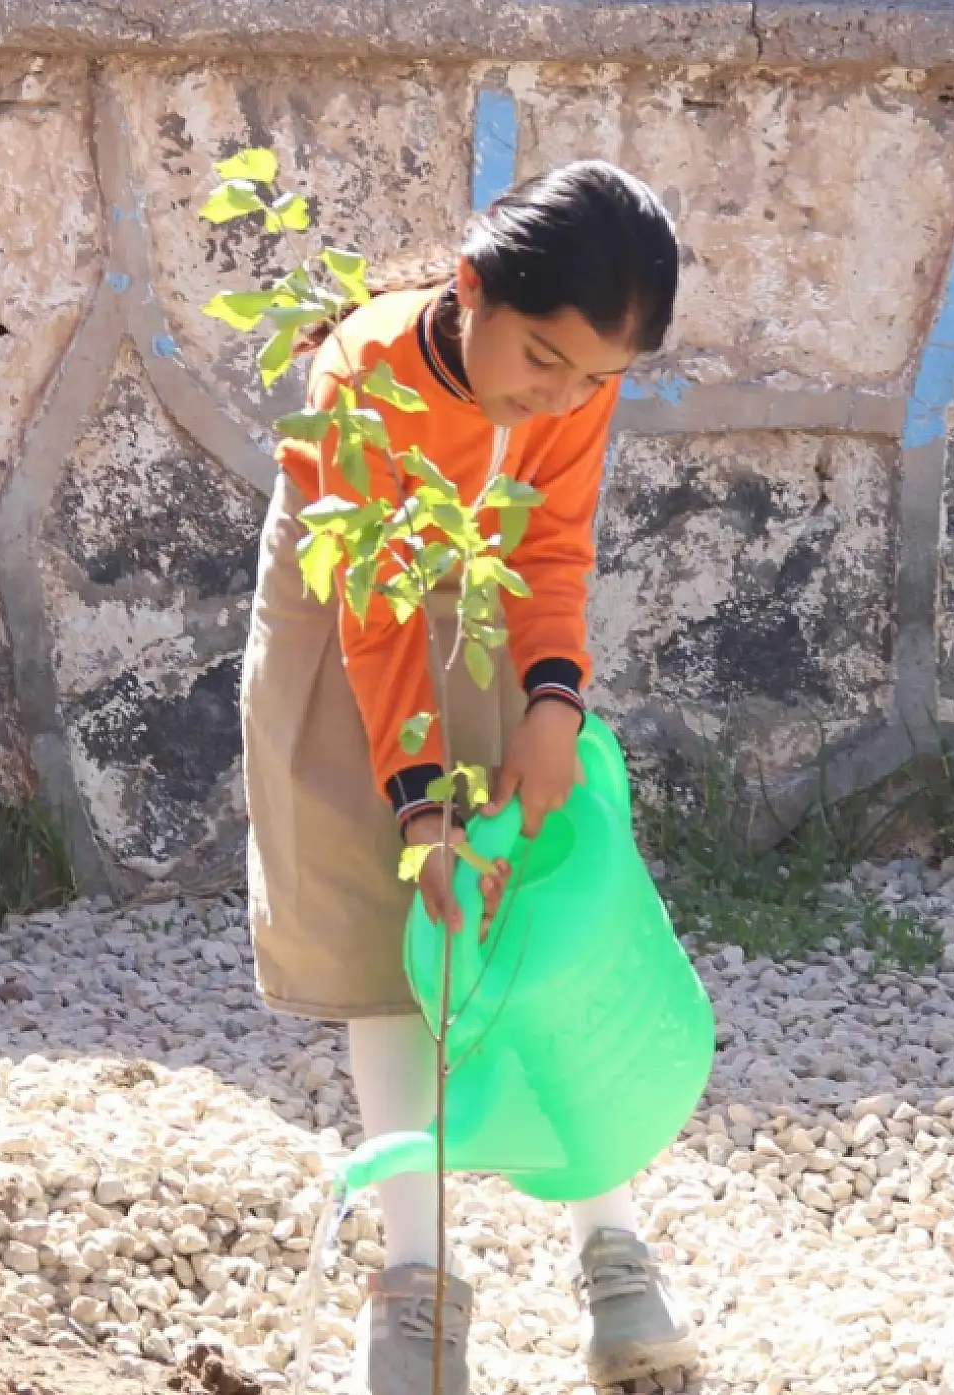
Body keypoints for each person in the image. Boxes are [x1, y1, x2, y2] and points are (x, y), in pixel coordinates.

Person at [239, 160, 697, 1392]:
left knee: (534, 928)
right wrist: (424, 808)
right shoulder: (363, 375)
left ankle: (616, 1267)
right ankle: (415, 1307)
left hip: (489, 607)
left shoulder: (574, 381)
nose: (562, 396)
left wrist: (553, 702)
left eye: (597, 379)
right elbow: (378, 622)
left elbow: (553, 536)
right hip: (350, 634)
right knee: (399, 945)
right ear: (471, 288)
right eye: (543, 362)